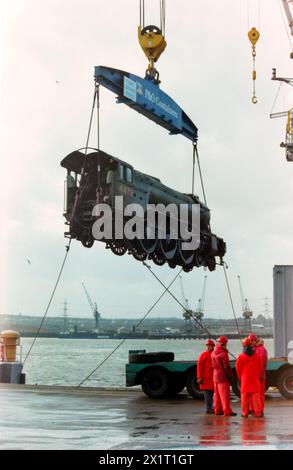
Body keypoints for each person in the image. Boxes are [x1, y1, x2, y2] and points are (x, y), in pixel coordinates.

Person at [236, 337, 263, 418]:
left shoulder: (241, 357)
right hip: (254, 379)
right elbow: (260, 367)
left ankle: (245, 413)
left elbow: (238, 369)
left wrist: (240, 377)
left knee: (244, 398)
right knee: (256, 398)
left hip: (245, 380)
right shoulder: (257, 356)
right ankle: (258, 413)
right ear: (251, 345)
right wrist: (257, 375)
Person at [211, 336, 237, 417]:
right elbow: (227, 367)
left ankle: (217, 410)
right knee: (224, 395)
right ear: (225, 343)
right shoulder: (223, 353)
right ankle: (227, 411)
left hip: (215, 376)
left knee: (217, 395)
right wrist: (231, 376)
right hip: (223, 377)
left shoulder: (213, 353)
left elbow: (212, 365)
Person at [197, 339, 215, 414]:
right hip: (205, 379)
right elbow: (199, 366)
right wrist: (199, 377)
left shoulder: (214, 354)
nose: (208, 347)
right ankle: (208, 409)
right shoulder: (203, 355)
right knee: (207, 396)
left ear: (213, 346)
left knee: (214, 396)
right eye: (207, 346)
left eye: (209, 346)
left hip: (213, 379)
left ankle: (214, 408)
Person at [254, 337, 268, 415]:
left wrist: (260, 374)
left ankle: (260, 409)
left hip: (259, 375)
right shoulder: (259, 349)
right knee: (258, 394)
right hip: (259, 375)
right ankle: (258, 409)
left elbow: (262, 364)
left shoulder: (260, 349)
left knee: (260, 394)